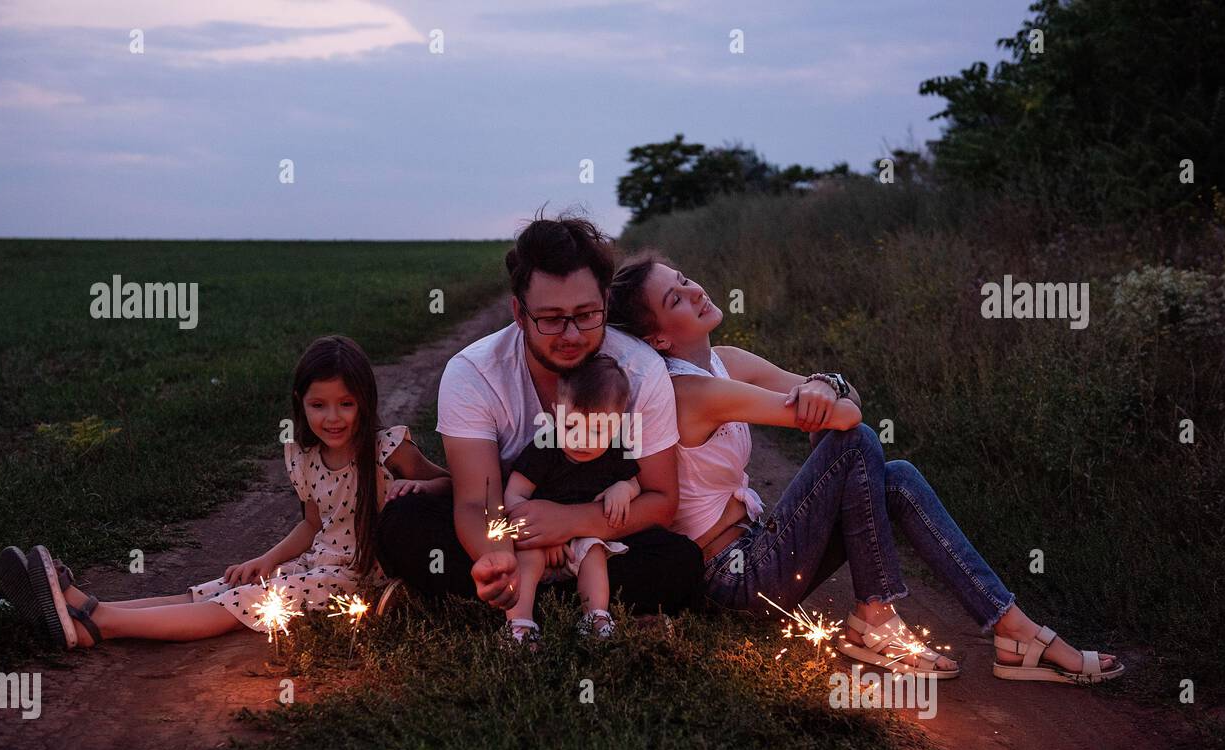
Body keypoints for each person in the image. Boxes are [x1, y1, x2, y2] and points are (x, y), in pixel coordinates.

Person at [605, 252, 1123, 685]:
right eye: (675, 298)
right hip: (733, 582)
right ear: (657, 341)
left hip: (759, 550)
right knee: (856, 445)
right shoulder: (688, 390)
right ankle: (875, 617)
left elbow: (844, 393)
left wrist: (823, 383)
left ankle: (1012, 628)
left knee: (894, 476)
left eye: (685, 280)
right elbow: (847, 417)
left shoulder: (728, 361)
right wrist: (823, 393)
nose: (694, 292)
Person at [0, 335, 449, 648]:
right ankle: (81, 605)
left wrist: (418, 486)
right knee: (211, 590)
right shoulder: (304, 456)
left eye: (346, 405)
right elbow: (313, 524)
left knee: (234, 606)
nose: (332, 418)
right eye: (318, 405)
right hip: (313, 564)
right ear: (299, 402)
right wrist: (267, 560)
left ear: (365, 402)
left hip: (356, 581)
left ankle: (101, 626)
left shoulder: (387, 449)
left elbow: (449, 483)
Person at [375, 212, 704, 618]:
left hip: (595, 539)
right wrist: (497, 557)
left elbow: (660, 500)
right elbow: (477, 501)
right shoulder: (474, 372)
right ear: (519, 313)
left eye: (586, 315)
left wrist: (569, 521)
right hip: (509, 526)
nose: (571, 335)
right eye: (551, 319)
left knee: (680, 561)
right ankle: (559, 603)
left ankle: (519, 609)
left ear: (605, 302)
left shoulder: (638, 369)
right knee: (403, 522)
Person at [502, 354, 642, 645]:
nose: (581, 440)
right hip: (538, 541)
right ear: (556, 413)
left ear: (618, 422)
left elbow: (634, 482)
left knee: (594, 552)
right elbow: (514, 496)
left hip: (580, 542)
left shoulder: (616, 451)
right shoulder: (544, 447)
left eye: (597, 430)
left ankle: (595, 617)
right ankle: (519, 624)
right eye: (570, 427)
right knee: (527, 559)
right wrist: (543, 538)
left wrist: (624, 489)